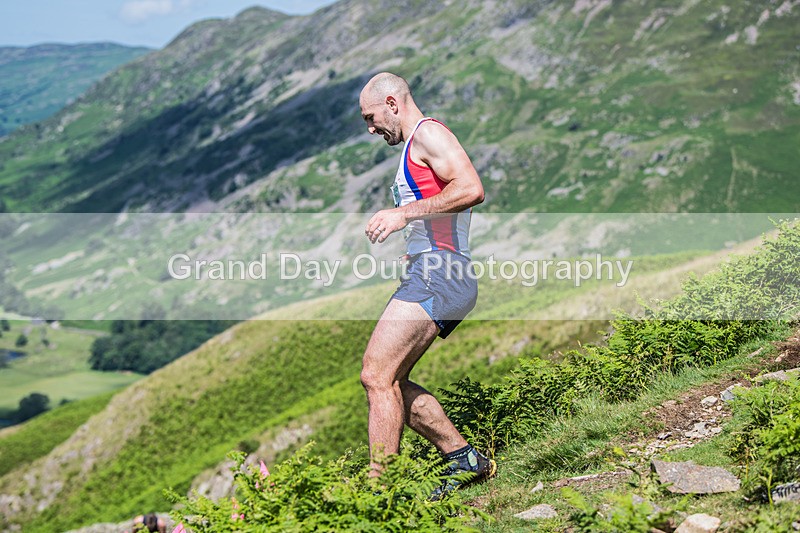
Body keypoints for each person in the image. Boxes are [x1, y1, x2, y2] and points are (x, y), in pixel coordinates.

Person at [358, 72, 495, 498]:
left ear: (393, 103)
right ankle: (462, 457)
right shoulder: (415, 146)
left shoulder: (428, 134)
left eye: (372, 117)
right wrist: (416, 246)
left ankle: (381, 497)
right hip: (433, 269)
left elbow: (471, 188)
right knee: (390, 381)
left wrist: (403, 215)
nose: (371, 128)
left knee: (376, 375)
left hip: (442, 273)